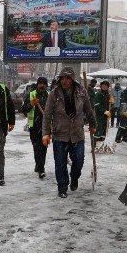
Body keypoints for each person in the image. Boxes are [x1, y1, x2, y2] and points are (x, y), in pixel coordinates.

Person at [42, 67, 96, 198]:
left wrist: (93, 124)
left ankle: (75, 177)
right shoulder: (54, 94)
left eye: (67, 78)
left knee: (78, 161)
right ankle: (62, 187)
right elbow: (47, 115)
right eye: (62, 78)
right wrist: (45, 133)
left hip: (77, 134)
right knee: (60, 163)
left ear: (72, 79)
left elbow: (88, 109)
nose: (64, 81)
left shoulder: (81, 92)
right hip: (60, 134)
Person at [21, 76, 49, 178]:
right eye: (40, 83)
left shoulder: (49, 96)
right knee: (37, 148)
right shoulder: (31, 95)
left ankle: (39, 165)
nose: (42, 85)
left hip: (46, 127)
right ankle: (41, 168)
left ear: (46, 85)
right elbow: (23, 110)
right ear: (37, 85)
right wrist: (31, 104)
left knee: (44, 147)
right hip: (34, 127)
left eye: (44, 84)